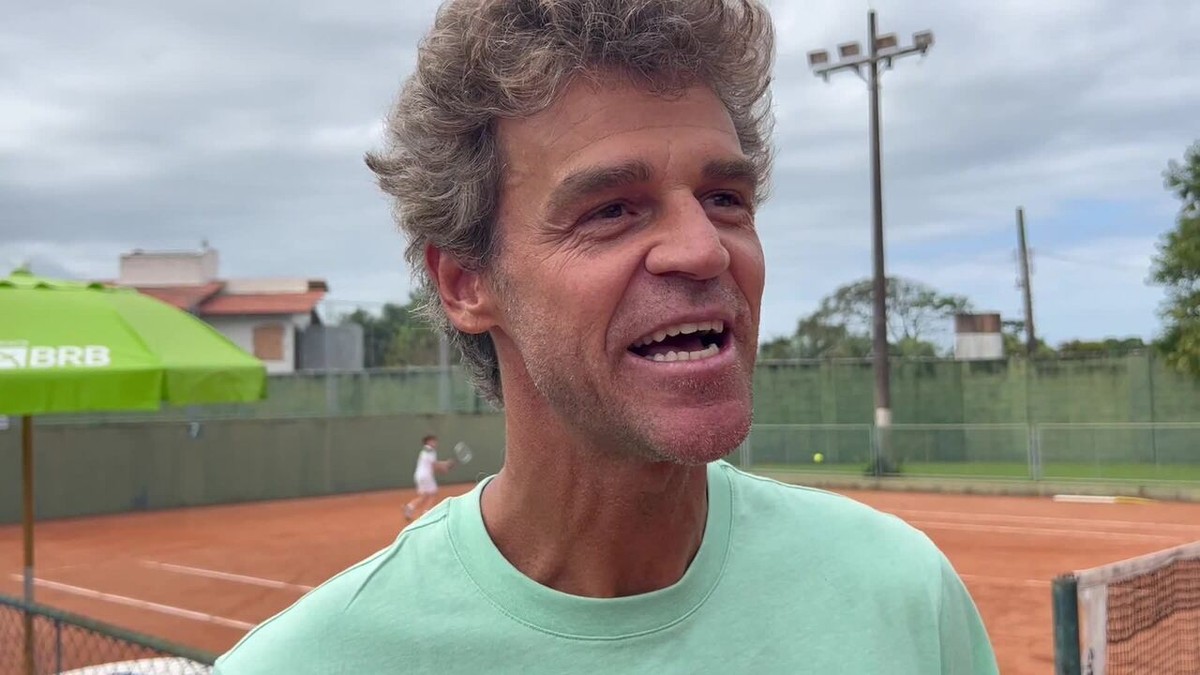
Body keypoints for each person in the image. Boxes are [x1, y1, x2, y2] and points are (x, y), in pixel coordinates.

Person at [215, 1, 999, 673]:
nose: (703, 248)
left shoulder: (905, 598)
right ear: (466, 282)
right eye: (612, 209)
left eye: (725, 196)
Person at [404, 434, 454, 521]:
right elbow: (434, 465)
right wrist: (445, 466)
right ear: (428, 442)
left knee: (424, 496)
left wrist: (445, 464)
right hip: (426, 476)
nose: (435, 443)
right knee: (433, 494)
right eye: (433, 441)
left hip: (419, 475)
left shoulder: (425, 451)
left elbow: (432, 464)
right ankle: (426, 513)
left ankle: (410, 507)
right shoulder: (431, 451)